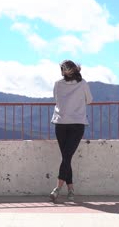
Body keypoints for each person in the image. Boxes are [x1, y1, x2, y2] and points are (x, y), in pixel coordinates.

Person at [50, 60, 93, 202]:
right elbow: (90, 100)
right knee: (66, 158)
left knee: (66, 157)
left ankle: (59, 189)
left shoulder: (57, 84)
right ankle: (69, 190)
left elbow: (56, 99)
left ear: (63, 71)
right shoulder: (83, 83)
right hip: (77, 124)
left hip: (60, 123)